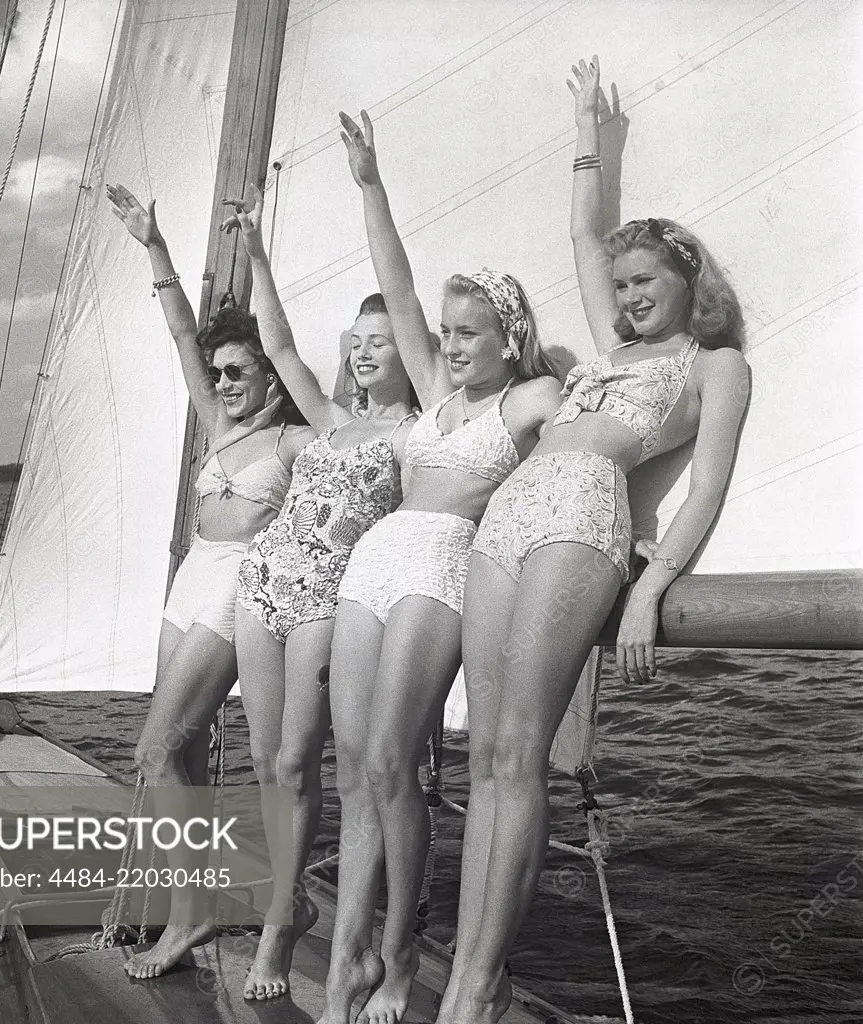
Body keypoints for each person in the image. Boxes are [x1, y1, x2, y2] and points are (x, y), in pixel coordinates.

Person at [438, 57, 749, 1024]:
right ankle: (459, 979)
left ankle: (479, 988)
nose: (625, 295)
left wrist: (652, 588)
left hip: (583, 515)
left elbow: (705, 488)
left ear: (685, 277)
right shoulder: (609, 350)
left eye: (643, 278)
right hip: (509, 516)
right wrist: (585, 136)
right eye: (617, 284)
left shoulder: (717, 364)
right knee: (484, 752)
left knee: (519, 752)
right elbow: (581, 230)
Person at [318, 111, 562, 1024]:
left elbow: (598, 440)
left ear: (506, 334)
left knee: (392, 765)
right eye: (446, 333)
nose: (449, 345)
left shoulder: (534, 396)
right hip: (373, 564)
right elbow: (397, 285)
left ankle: (395, 961)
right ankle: (345, 959)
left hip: (439, 567)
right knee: (354, 769)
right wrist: (368, 180)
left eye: (468, 333)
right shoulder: (434, 391)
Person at [105, 183, 314, 979]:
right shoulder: (217, 423)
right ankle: (193, 908)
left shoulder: (293, 445)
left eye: (239, 370)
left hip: (236, 586)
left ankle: (189, 918)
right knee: (180, 757)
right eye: (219, 370)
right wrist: (153, 244)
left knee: (152, 750)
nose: (222, 380)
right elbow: (179, 333)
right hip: (188, 579)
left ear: (270, 374)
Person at [220, 185, 419, 1001]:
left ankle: (275, 931)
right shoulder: (328, 418)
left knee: (299, 762)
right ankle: (289, 899)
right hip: (262, 581)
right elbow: (279, 342)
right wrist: (258, 255)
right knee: (268, 763)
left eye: (383, 339)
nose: (367, 351)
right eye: (359, 340)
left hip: (325, 602)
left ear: (409, 349)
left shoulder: (418, 435)